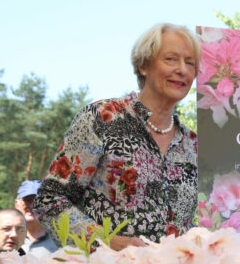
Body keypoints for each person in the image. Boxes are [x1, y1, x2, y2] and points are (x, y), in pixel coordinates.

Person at [34, 23, 200, 251]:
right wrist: (103, 242)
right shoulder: (102, 118)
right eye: (171, 59)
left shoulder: (194, 144)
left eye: (190, 63)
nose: (182, 69)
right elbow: (50, 200)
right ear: (144, 66)